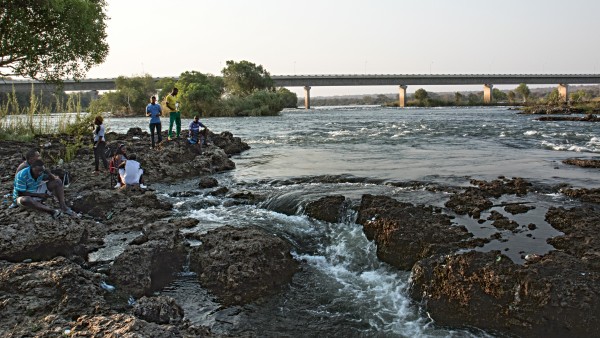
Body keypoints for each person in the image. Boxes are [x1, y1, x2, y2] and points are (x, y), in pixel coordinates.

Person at [14, 149, 74, 215]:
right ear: (31, 159)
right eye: (38, 156)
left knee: (57, 181)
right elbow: (20, 192)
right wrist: (39, 195)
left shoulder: (38, 166)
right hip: (25, 192)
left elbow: (49, 177)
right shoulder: (23, 172)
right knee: (26, 200)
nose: (40, 157)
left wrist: (49, 174)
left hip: (35, 187)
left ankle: (63, 207)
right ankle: (51, 211)